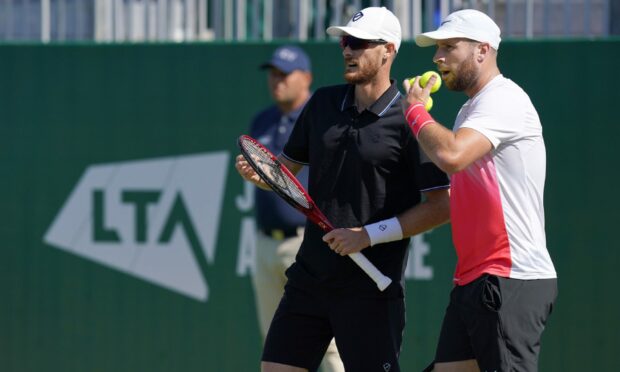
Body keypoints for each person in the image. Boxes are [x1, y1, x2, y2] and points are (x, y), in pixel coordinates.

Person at [236, 7, 451, 372]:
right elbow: (283, 173)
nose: (347, 50)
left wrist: (367, 235)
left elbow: (441, 206)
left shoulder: (410, 120)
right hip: (308, 278)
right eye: (344, 41)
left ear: (388, 50)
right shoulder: (321, 103)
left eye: (359, 43)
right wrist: (261, 176)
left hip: (370, 287)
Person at [402, 9, 557, 372]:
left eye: (449, 47)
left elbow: (451, 155)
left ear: (482, 51)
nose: (437, 58)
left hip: (510, 278)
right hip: (475, 278)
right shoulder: (471, 110)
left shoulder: (504, 99)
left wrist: (415, 112)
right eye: (437, 48)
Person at [248, 45, 345, 372]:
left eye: (285, 74)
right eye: (273, 74)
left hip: (308, 243)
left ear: (306, 78)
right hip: (264, 243)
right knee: (276, 342)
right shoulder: (262, 118)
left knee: (329, 344)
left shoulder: (322, 116)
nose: (277, 81)